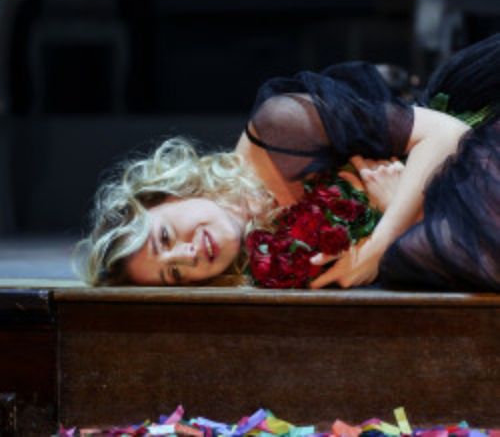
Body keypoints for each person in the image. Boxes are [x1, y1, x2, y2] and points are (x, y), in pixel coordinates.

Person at [76, 34, 500, 291]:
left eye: (166, 237)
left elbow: (447, 134)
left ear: (168, 195)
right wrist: (397, 212)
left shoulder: (279, 129)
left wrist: (380, 242)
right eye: (174, 274)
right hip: (444, 213)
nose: (188, 255)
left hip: (472, 140)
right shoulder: (269, 266)